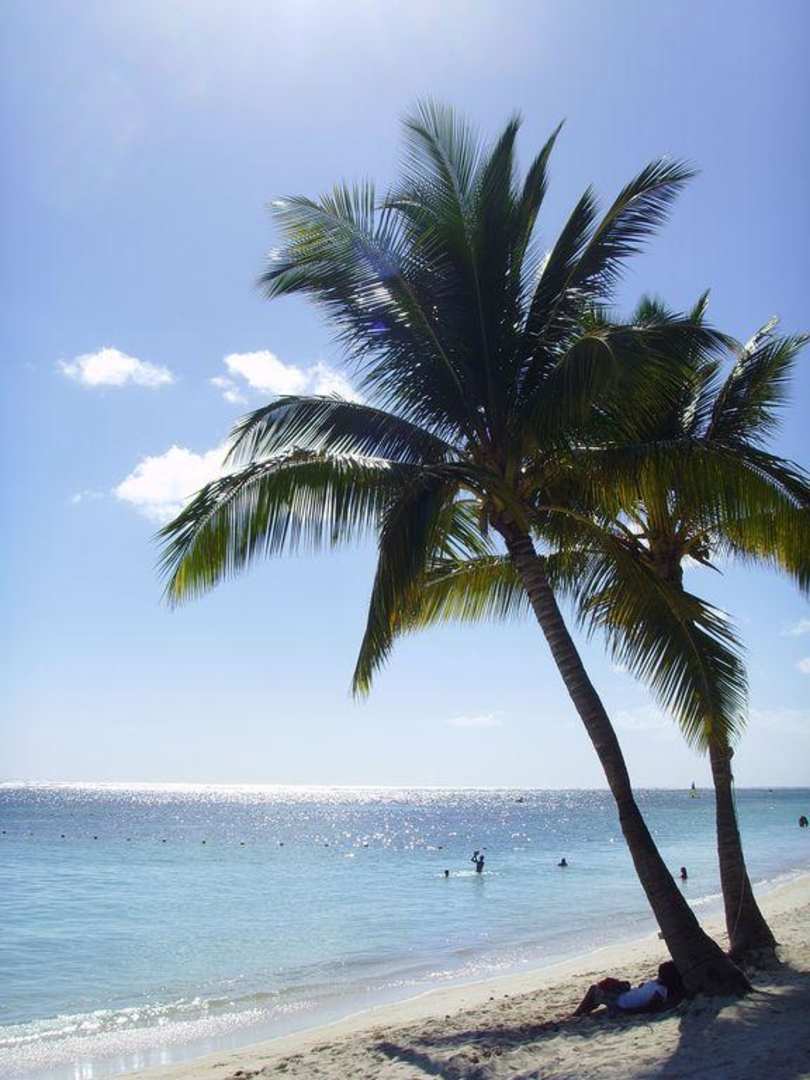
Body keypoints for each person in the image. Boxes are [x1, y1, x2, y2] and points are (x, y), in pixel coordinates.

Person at [574, 962, 683, 1016]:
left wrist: (624, 1012)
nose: (658, 975)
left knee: (594, 990)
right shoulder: (658, 984)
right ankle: (585, 1010)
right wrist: (642, 988)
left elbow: (651, 1007)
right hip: (626, 995)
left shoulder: (661, 990)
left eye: (660, 973)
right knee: (620, 984)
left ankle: (578, 1014)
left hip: (619, 1001)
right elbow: (644, 994)